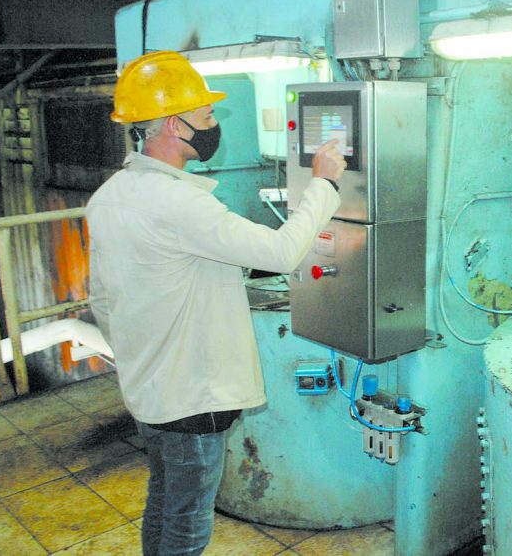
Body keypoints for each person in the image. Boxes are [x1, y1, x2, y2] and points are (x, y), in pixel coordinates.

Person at [86, 50, 344, 555]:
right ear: (171, 126)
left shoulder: (110, 196)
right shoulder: (180, 203)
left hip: (149, 389)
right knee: (187, 519)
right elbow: (282, 250)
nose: (212, 126)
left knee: (164, 501)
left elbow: (104, 298)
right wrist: (324, 180)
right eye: (205, 117)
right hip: (191, 397)